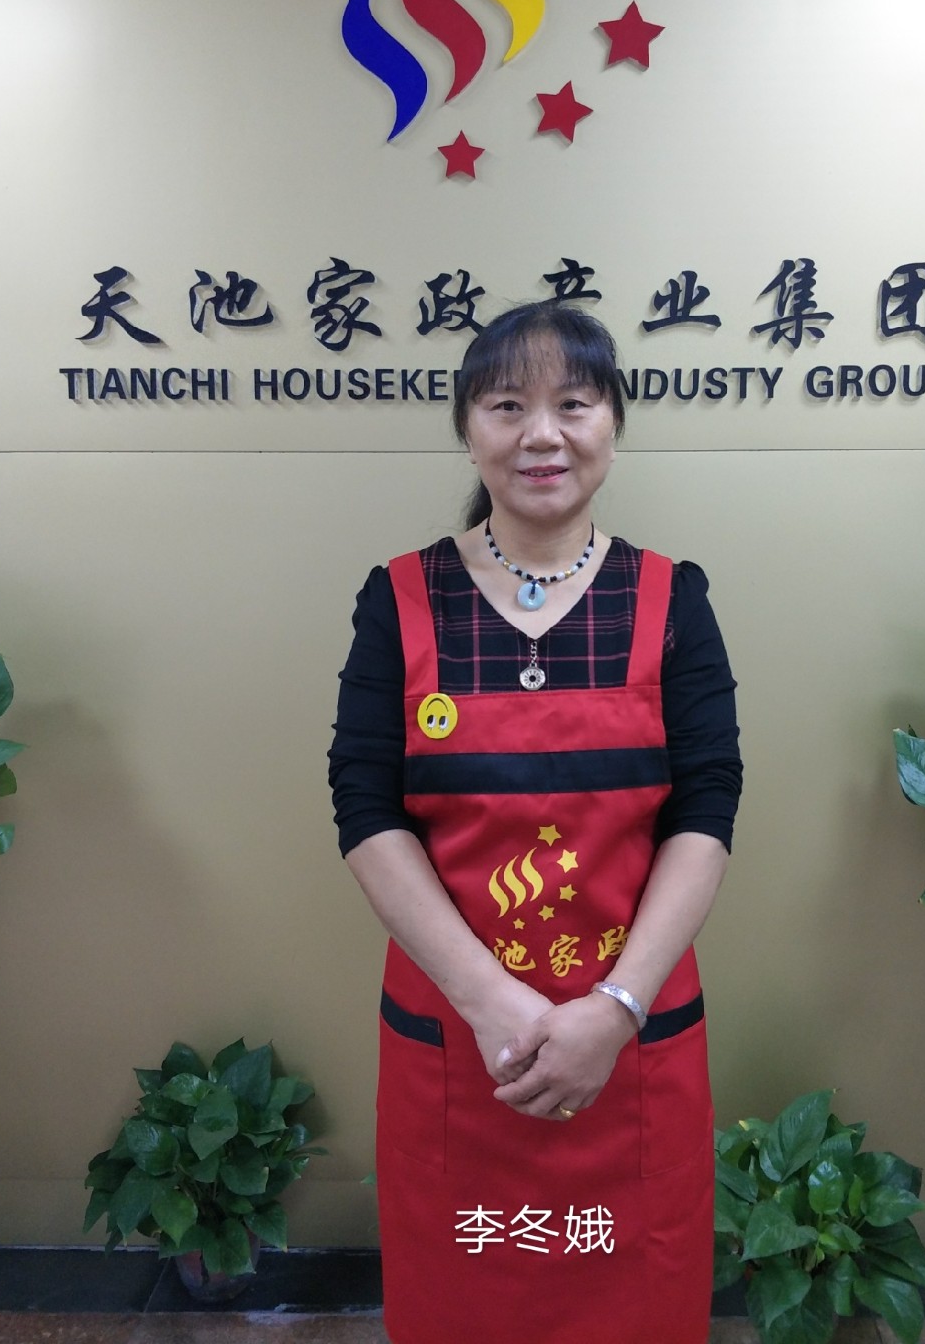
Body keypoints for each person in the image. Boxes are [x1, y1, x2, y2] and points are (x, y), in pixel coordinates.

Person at [329, 300, 741, 1344]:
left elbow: (706, 809)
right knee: (462, 1299)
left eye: (574, 404)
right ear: (468, 428)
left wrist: (615, 1007)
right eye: (507, 405)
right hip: (460, 1043)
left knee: (635, 1305)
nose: (541, 434)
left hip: (631, 1037)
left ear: (614, 425)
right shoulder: (400, 599)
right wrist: (488, 1001)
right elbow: (366, 808)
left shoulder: (671, 599)